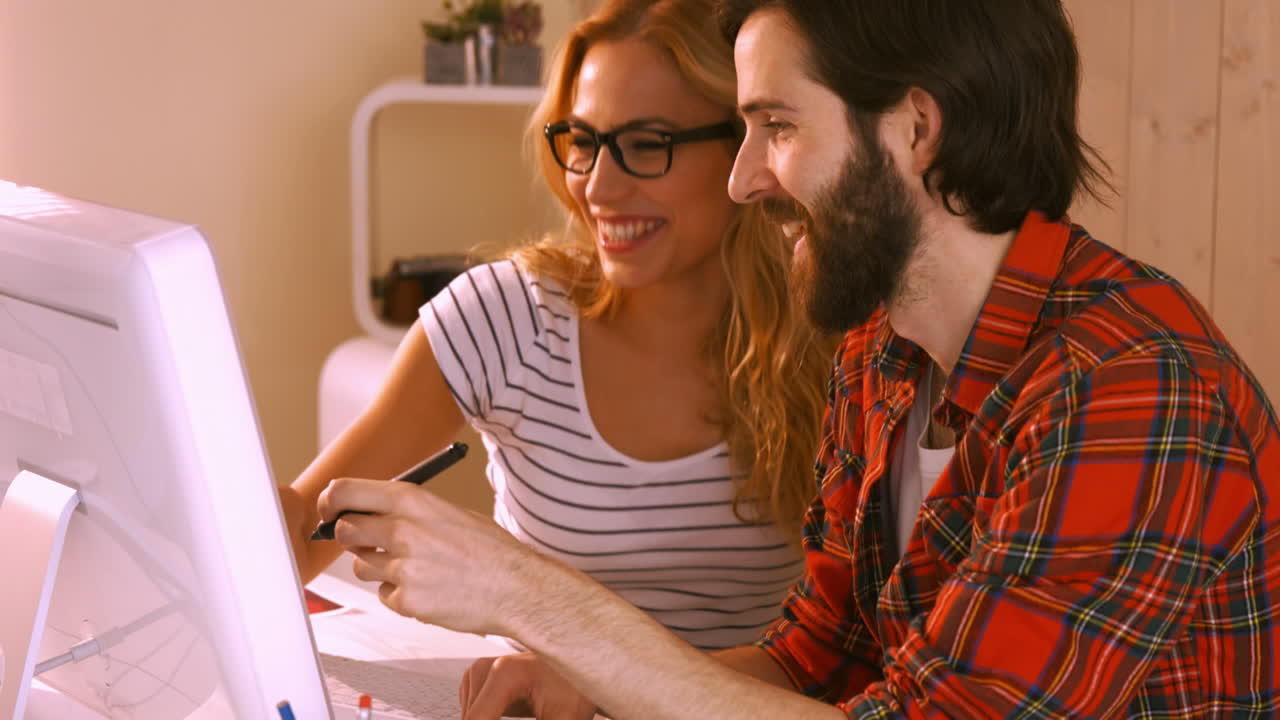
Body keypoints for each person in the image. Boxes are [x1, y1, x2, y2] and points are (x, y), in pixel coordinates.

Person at [318, 1, 1280, 718]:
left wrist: (533, 598)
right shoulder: (881, 352)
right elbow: (816, 659)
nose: (743, 179)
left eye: (775, 128)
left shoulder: (1131, 384)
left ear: (915, 129)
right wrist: (590, 687)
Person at [282, 0, 833, 652]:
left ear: (745, 150)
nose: (598, 188)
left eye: (645, 145)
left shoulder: (828, 337)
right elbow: (296, 537)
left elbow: (854, 649)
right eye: (584, 142)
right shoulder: (506, 319)